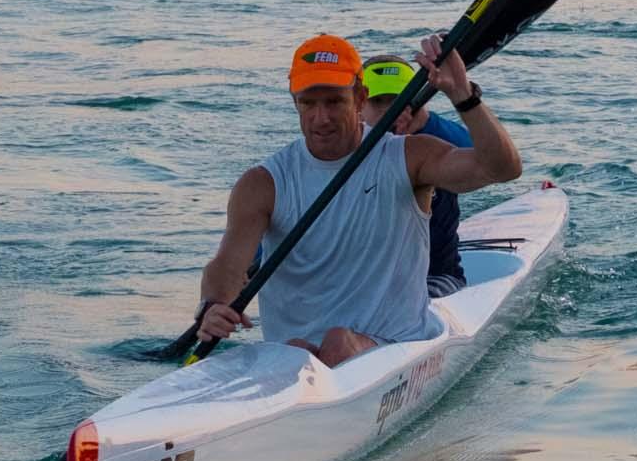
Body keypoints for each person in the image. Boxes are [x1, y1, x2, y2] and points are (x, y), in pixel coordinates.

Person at [194, 33, 521, 366]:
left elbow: (502, 168)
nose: (321, 118)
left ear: (360, 97)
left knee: (337, 343)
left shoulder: (409, 158)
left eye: (334, 102)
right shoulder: (263, 183)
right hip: (292, 360)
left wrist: (462, 95)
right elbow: (227, 265)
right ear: (295, 102)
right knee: (298, 349)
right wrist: (213, 306)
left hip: (396, 346)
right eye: (308, 103)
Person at [360, 55, 474, 298]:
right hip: (363, 280)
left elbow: (488, 161)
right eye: (379, 101)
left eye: (400, 101)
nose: (391, 110)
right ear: (358, 107)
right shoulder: (338, 152)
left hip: (435, 278)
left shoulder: (438, 147)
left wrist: (424, 120)